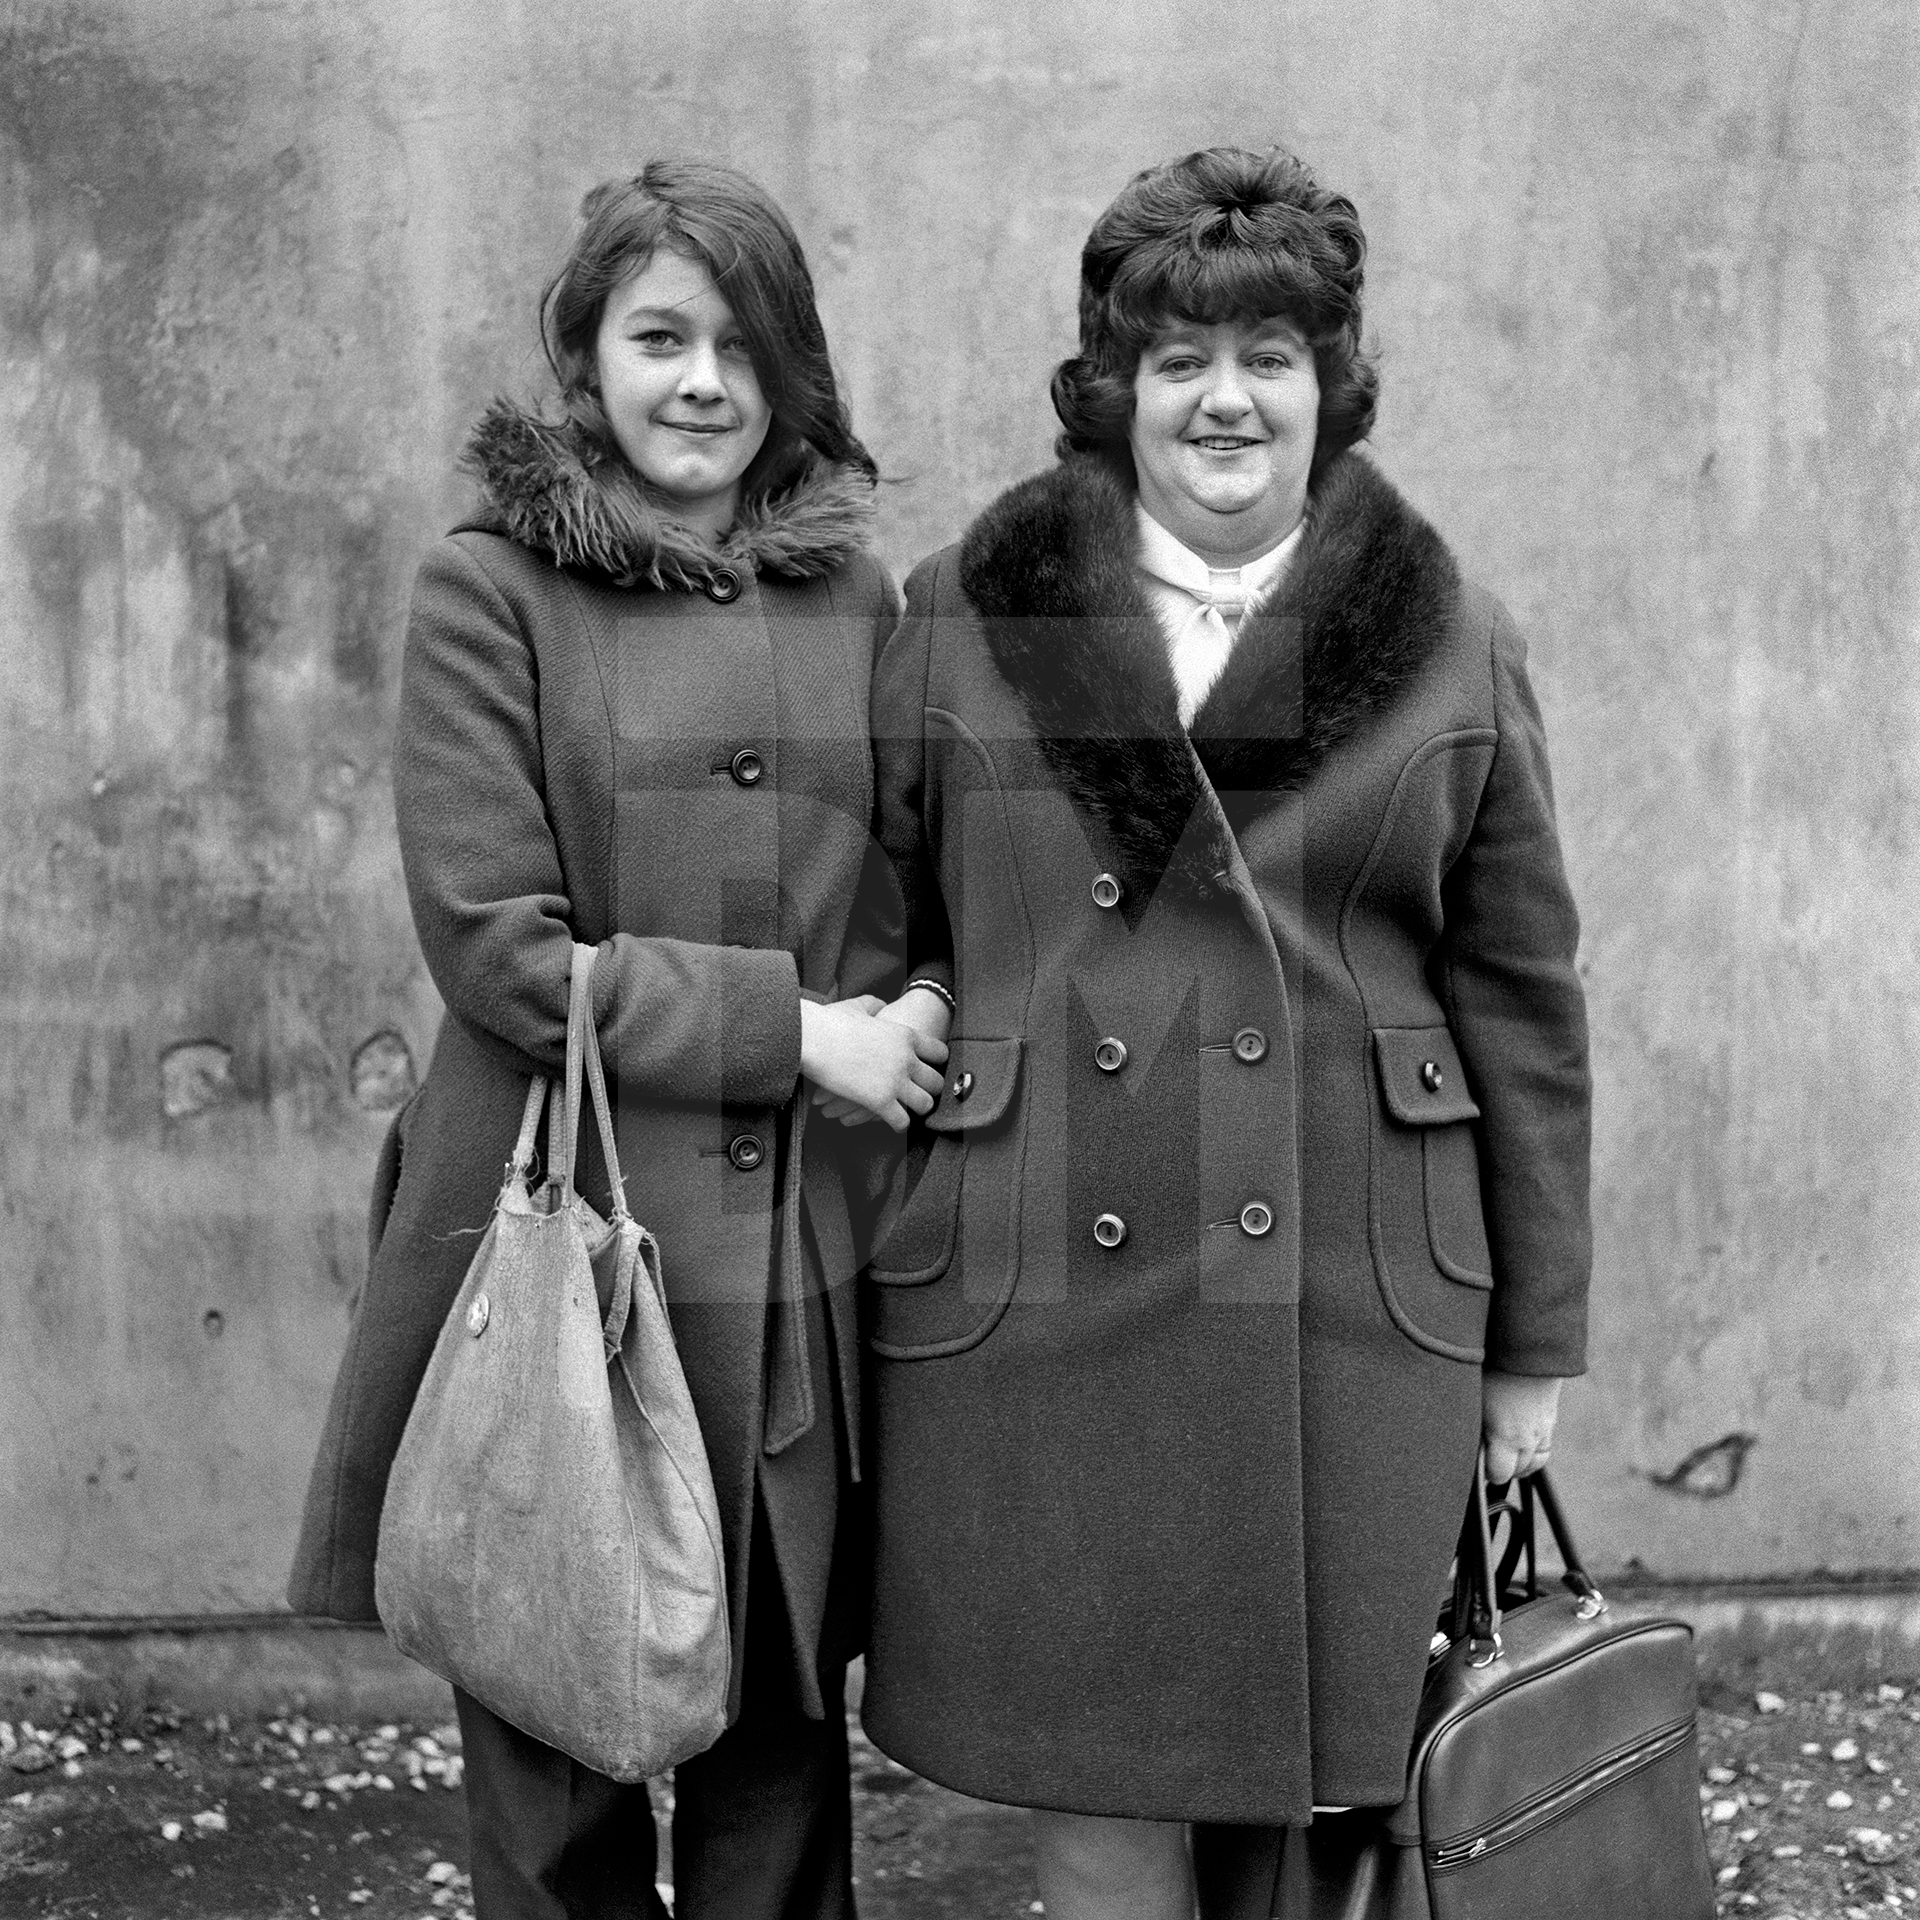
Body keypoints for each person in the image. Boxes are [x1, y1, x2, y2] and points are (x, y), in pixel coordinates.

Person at [848, 146, 1592, 1920]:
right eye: (1179, 359)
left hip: (1353, 1284)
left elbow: (1526, 1004)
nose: (1227, 399)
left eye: (1272, 353)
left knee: (1325, 1808)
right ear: (1114, 391)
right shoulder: (962, 614)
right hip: (1043, 1282)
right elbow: (893, 919)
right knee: (1101, 1788)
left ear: (1334, 383)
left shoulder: (1454, 639)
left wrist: (1535, 1343)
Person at [288, 160, 948, 1920]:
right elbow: (502, 951)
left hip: (787, 1275)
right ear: (586, 355)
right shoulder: (489, 591)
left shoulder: (846, 598)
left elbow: (900, 896)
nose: (705, 382)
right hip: (564, 1250)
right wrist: (799, 1036)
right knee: (557, 1785)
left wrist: (921, 1007)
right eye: (661, 336)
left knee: (780, 1789)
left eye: (745, 343)